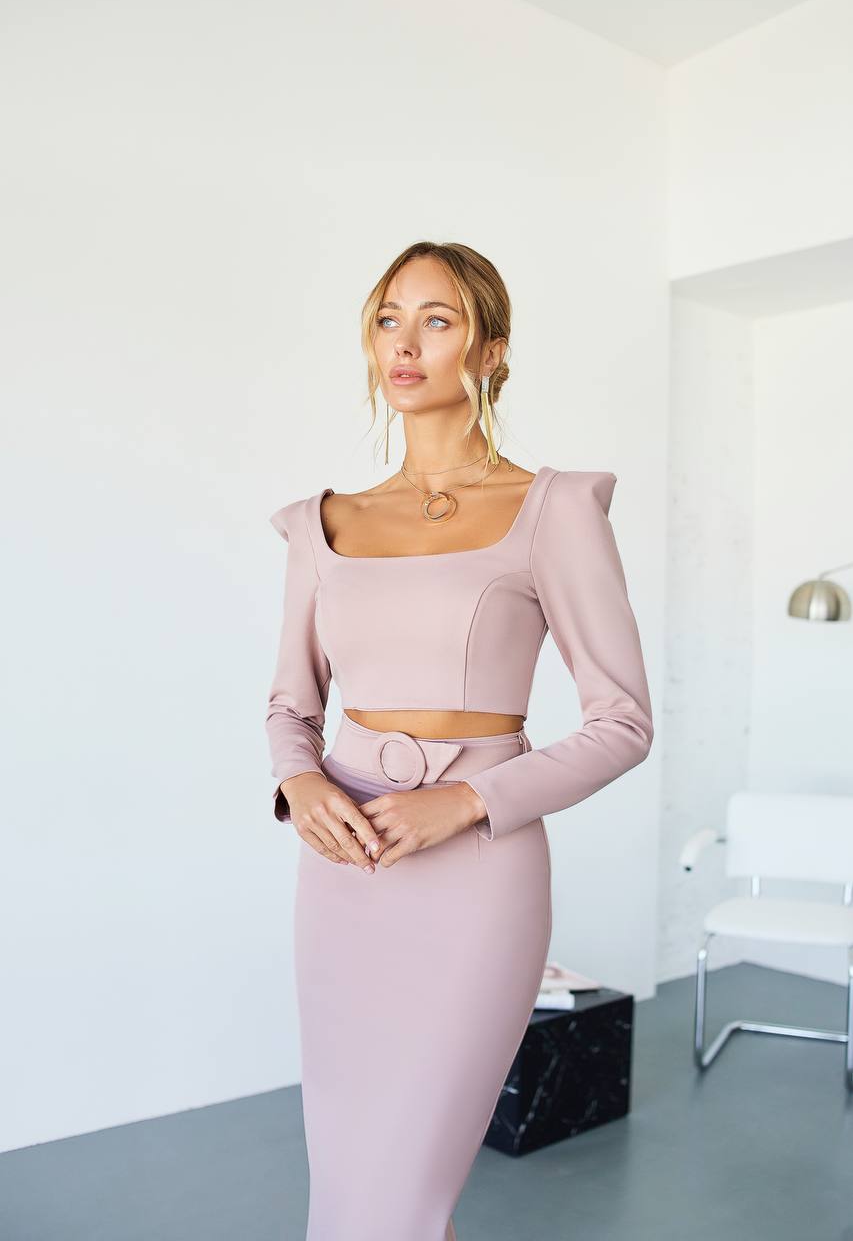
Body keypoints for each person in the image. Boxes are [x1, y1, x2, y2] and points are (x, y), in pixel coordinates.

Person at [264, 241, 654, 1240]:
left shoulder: (552, 508)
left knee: (404, 1192)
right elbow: (290, 706)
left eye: (437, 320)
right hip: (343, 867)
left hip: (478, 871)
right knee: (349, 1188)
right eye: (389, 316)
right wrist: (298, 783)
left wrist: (468, 799)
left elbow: (622, 722)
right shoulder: (322, 523)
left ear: (490, 350)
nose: (405, 342)